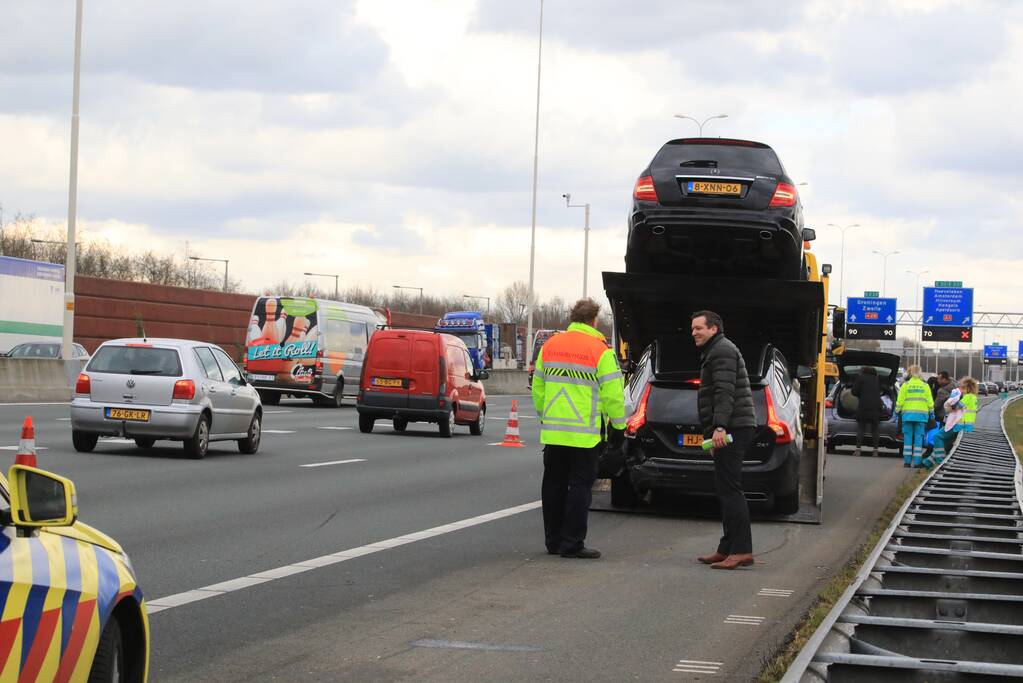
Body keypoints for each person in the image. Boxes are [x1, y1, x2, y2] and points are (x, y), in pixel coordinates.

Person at [531, 298, 625, 559]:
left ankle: (553, 541)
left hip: (553, 431)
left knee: (553, 485)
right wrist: (618, 426)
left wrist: (546, 415)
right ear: (594, 320)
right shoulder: (600, 350)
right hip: (584, 434)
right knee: (580, 486)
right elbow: (613, 395)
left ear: (572, 319)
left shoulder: (550, 345)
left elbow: (537, 387)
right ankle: (572, 543)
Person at [691, 310, 757, 570]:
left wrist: (719, 426)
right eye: (693, 328)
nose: (694, 332)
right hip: (732, 427)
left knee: (731, 489)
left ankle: (741, 550)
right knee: (726, 488)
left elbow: (725, 391)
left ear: (713, 329)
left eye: (699, 328)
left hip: (733, 427)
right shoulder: (716, 350)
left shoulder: (722, 351)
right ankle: (727, 548)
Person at [924, 376, 978, 467]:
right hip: (966, 426)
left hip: (958, 424)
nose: (960, 389)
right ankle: (927, 463)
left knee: (938, 437)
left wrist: (952, 399)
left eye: (962, 388)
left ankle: (940, 461)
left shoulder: (968, 397)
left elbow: (955, 407)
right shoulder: (974, 398)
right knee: (944, 442)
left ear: (968, 388)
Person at [895, 365, 935, 468]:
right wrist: (931, 412)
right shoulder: (925, 386)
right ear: (920, 373)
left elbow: (900, 401)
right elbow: (930, 401)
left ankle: (907, 462)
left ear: (910, 373)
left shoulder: (905, 385)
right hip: (921, 416)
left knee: (908, 439)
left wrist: (897, 411)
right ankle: (917, 462)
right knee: (918, 439)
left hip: (907, 416)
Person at [851, 366, 882, 456]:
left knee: (861, 428)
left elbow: (854, 392)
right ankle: (875, 451)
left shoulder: (860, 378)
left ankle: (858, 450)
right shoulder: (877, 379)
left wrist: (861, 393)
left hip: (864, 405)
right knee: (875, 429)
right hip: (876, 406)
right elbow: (880, 391)